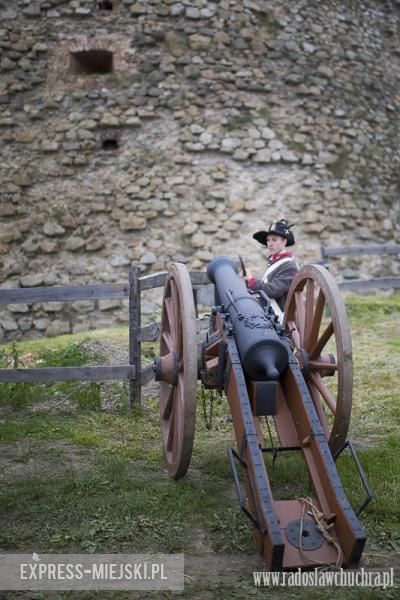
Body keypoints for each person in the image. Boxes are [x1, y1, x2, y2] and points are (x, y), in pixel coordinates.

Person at [244, 219, 299, 321]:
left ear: (284, 242)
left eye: (274, 240)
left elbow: (273, 291)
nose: (270, 243)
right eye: (268, 240)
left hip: (281, 318)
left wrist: (253, 281)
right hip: (270, 313)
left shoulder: (289, 266)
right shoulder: (275, 261)